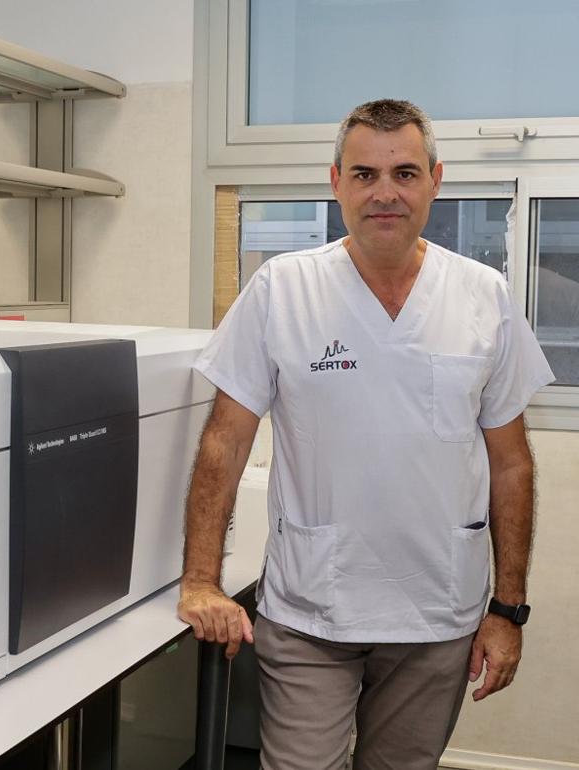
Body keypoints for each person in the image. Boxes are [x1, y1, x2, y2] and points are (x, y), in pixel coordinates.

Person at [177, 99, 555, 770]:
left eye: (405, 173)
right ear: (336, 182)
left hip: (437, 615)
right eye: (364, 174)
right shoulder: (282, 289)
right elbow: (223, 443)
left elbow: (511, 466)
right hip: (311, 610)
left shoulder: (482, 296)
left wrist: (509, 609)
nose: (385, 192)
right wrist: (201, 580)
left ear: (435, 180)